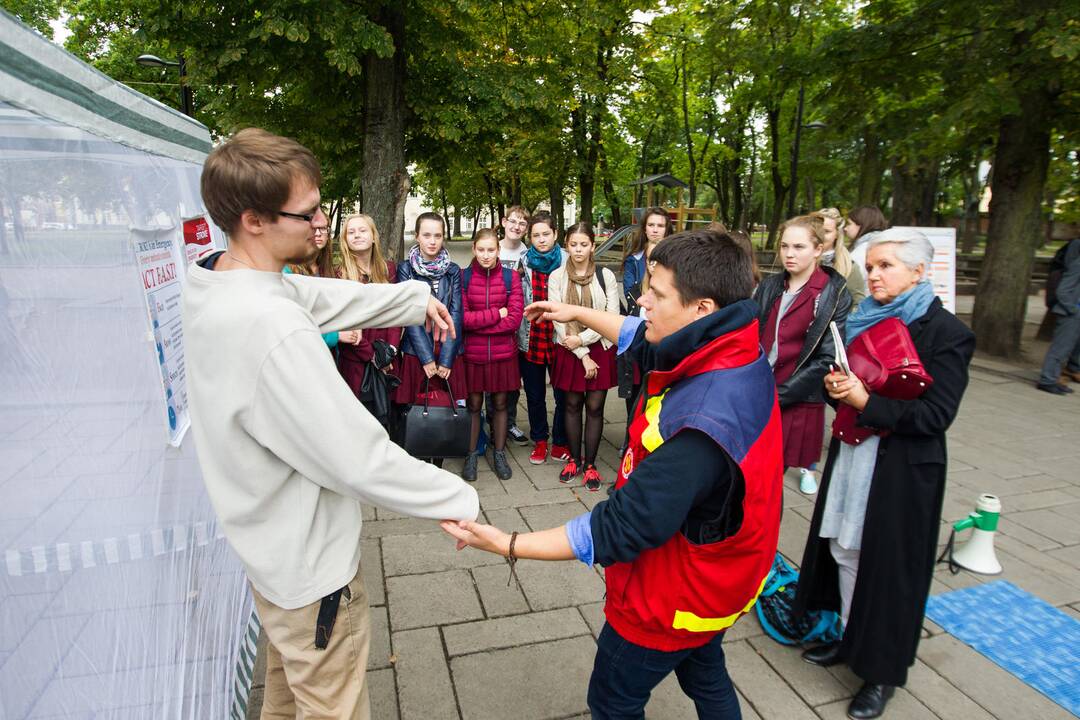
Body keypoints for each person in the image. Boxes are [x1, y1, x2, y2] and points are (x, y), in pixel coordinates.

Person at [182, 128, 478, 719]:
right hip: (313, 576)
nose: (322, 224)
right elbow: (357, 457)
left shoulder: (214, 277)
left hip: (272, 560)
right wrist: (458, 497)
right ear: (255, 220)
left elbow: (313, 296)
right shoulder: (272, 329)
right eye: (309, 212)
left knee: (288, 701)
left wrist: (410, 299)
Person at [443, 230, 784, 719]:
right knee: (705, 673)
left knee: (613, 701)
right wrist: (577, 312)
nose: (642, 299)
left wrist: (506, 543)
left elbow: (619, 528)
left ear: (702, 308)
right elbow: (638, 334)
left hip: (671, 596)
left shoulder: (702, 426)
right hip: (720, 579)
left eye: (657, 293)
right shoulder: (728, 343)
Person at [796, 228, 975, 719]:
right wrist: (841, 389)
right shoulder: (863, 319)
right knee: (844, 547)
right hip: (856, 452)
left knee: (891, 568)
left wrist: (866, 402)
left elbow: (935, 418)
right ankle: (852, 639)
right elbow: (856, 384)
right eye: (870, 266)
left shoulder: (947, 333)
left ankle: (882, 674)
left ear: (919, 272)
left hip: (901, 468)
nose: (872, 275)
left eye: (885, 266)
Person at [754, 215, 852, 495]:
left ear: (818, 249)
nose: (789, 254)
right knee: (747, 473)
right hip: (757, 388)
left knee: (770, 480)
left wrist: (779, 395)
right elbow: (751, 331)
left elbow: (826, 359)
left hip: (794, 398)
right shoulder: (771, 285)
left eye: (798, 247)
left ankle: (761, 535)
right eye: (784, 246)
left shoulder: (834, 293)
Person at [549, 222, 620, 490]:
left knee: (594, 407)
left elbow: (610, 318)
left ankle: (590, 464)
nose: (578, 250)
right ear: (566, 245)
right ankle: (574, 460)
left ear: (592, 246)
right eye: (573, 244)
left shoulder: (605, 276)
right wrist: (579, 351)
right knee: (571, 405)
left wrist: (584, 340)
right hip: (569, 348)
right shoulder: (557, 276)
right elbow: (558, 318)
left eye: (584, 244)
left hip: (599, 348)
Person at [395, 212, 467, 463]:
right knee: (418, 406)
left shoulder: (453, 270)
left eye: (438, 235)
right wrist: (426, 358)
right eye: (427, 235)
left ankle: (438, 457)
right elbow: (410, 314)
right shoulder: (405, 269)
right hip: (419, 351)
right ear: (417, 236)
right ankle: (417, 457)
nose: (432, 241)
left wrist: (446, 359)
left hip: (446, 348)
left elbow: (456, 313)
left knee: (443, 406)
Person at [461, 228, 524, 480]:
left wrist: (482, 325)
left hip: (503, 355)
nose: (486, 255)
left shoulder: (511, 278)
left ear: (498, 251)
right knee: (474, 405)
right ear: (474, 249)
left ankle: (499, 453)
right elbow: (463, 319)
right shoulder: (464, 277)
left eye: (491, 250)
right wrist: (497, 314)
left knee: (500, 405)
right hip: (473, 356)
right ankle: (471, 454)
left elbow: (515, 319)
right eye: (481, 250)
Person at [335, 213, 402, 427]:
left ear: (373, 236)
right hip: (357, 363)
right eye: (351, 232)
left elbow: (396, 313)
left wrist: (389, 351)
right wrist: (373, 356)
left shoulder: (388, 269)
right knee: (360, 425)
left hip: (387, 361)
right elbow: (346, 326)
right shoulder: (340, 275)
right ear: (345, 240)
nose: (357, 235)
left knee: (386, 425)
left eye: (362, 230)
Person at [518, 210, 571, 465]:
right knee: (535, 394)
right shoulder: (523, 261)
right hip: (532, 336)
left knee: (562, 393)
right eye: (536, 235)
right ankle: (540, 440)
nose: (541, 240)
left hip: (560, 336)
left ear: (555, 234)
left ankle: (560, 441)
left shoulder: (568, 260)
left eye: (546, 234)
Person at [495, 206, 532, 445]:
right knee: (492, 378)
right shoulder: (492, 248)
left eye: (522, 223)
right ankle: (490, 422)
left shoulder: (528, 254)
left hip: (519, 326)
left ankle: (509, 423)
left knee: (512, 379)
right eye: (513, 221)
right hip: (494, 321)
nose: (517, 226)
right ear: (504, 222)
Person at [284, 224, 347, 349]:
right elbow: (291, 323)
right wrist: (335, 336)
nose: (318, 233)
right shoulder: (286, 271)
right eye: (312, 228)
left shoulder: (328, 271)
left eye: (323, 228)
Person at [1037, 237, 1080, 395]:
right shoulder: (1078, 264)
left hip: (1074, 311)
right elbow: (1063, 289)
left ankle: (1053, 378)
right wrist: (1073, 309)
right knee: (1060, 347)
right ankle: (1047, 380)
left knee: (1068, 348)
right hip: (1071, 312)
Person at [815, 207, 865, 308]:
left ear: (837, 234)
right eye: (817, 230)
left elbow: (858, 305)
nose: (821, 236)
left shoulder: (849, 267)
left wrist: (840, 322)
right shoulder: (800, 261)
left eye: (827, 231)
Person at [622, 207, 673, 293]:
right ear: (645, 229)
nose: (655, 230)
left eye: (660, 226)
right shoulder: (633, 260)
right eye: (651, 225)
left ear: (666, 230)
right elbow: (629, 293)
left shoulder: (678, 257)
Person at [844, 206, 888, 295]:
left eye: (849, 224)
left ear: (862, 224)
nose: (845, 228)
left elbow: (849, 281)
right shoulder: (886, 244)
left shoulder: (863, 250)